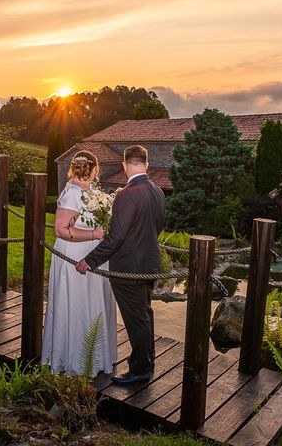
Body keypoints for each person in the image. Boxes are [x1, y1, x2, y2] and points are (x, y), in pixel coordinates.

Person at [76, 145, 165, 385]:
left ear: (124, 166)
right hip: (149, 264)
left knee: (137, 319)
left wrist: (89, 261)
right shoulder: (157, 191)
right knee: (144, 315)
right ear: (146, 165)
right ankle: (147, 362)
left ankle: (139, 371)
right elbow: (158, 227)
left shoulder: (127, 194)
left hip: (129, 269)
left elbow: (116, 236)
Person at [41, 150, 118, 377]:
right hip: (74, 256)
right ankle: (74, 359)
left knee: (94, 303)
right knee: (76, 303)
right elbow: (60, 229)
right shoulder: (73, 193)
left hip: (95, 257)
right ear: (94, 169)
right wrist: (96, 234)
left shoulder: (92, 192)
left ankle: (95, 356)